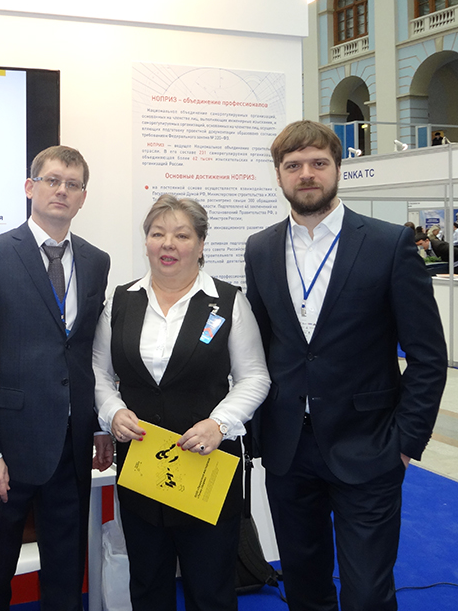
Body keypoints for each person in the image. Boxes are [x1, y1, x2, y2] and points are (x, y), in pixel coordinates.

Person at [244, 121, 448, 611]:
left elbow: (428, 355)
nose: (306, 174)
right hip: (289, 449)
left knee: (367, 594)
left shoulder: (388, 244)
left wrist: (406, 443)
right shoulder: (261, 248)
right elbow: (262, 348)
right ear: (279, 175)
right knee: (304, 586)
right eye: (293, 165)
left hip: (370, 445)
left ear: (338, 169)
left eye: (319, 163)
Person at [92, 194, 270, 611]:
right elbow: (97, 372)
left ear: (201, 243)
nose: (168, 244)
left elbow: (255, 377)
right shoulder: (121, 301)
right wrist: (112, 412)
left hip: (207, 467)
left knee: (210, 588)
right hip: (141, 467)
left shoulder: (228, 301)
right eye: (158, 234)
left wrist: (220, 423)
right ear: (146, 242)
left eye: (182, 235)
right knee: (148, 582)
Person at [0, 145, 112, 611]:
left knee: (66, 572)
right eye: (52, 180)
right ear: (30, 187)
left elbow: (87, 351)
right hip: (6, 448)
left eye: (73, 184)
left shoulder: (96, 261)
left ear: (83, 197)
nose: (62, 190)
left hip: (71, 444)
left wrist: (99, 424)